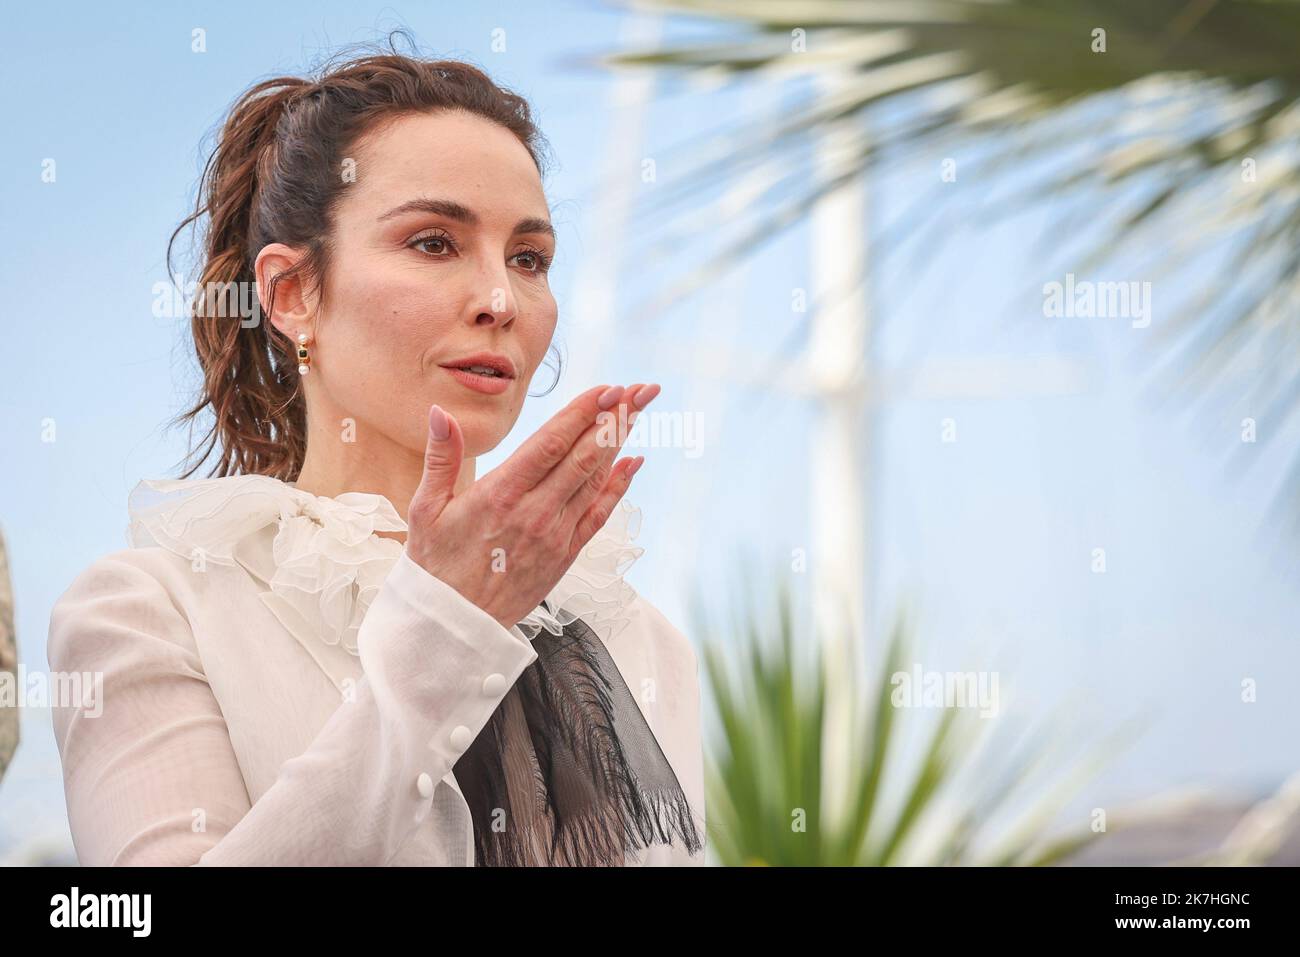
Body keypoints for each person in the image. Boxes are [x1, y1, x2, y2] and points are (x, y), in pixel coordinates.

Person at [46, 48, 705, 867]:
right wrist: (445, 627)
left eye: (528, 258)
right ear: (292, 294)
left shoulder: (638, 638)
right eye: (434, 242)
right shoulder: (151, 610)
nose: (500, 299)